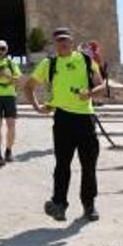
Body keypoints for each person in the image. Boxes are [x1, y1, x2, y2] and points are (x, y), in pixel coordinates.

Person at [24, 27, 105, 222]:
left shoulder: (85, 60)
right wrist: (37, 107)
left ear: (72, 40)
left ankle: (89, 205)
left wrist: (90, 94)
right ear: (54, 43)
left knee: (89, 164)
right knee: (62, 165)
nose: (63, 43)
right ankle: (59, 204)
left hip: (85, 118)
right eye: (59, 40)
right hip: (62, 119)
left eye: (66, 40)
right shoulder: (48, 63)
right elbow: (29, 86)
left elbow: (101, 86)